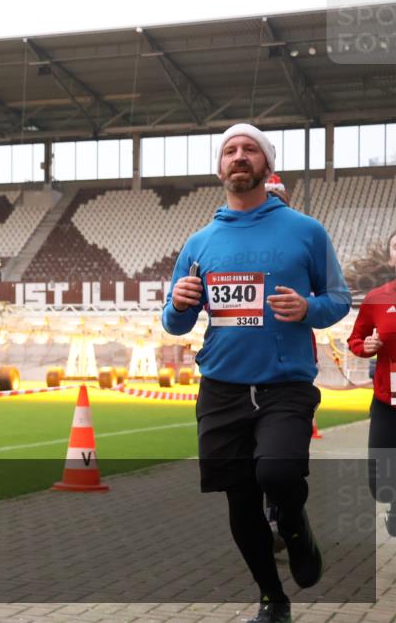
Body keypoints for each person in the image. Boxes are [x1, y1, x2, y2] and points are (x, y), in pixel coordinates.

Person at [162, 123, 351, 623]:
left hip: (284, 383)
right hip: (221, 386)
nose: (239, 155)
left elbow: (337, 300)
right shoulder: (200, 241)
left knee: (278, 471)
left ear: (267, 167)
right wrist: (179, 304)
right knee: (241, 499)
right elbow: (175, 320)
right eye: (230, 150)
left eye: (250, 149)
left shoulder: (305, 231)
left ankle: (294, 528)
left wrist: (307, 308)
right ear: (219, 168)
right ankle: (272, 598)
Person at [346, 230, 396, 535]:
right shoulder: (378, 298)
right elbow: (356, 338)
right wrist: (365, 347)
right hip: (386, 402)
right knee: (380, 482)